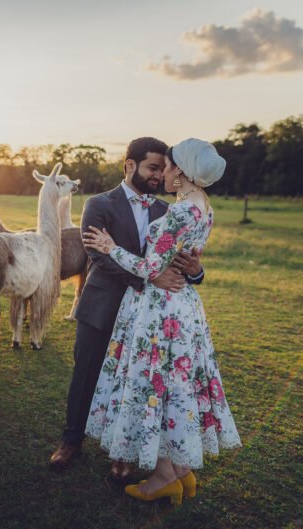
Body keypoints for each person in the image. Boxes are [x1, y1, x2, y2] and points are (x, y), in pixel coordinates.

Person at [82, 138, 241, 504]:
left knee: (161, 387)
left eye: (167, 167)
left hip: (163, 311)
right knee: (175, 385)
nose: (162, 173)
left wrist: (110, 248)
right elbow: (180, 258)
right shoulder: (202, 206)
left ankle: (164, 477)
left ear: (181, 172)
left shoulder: (182, 212)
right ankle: (181, 473)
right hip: (181, 305)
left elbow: (150, 269)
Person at [48, 137, 205, 479]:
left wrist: (196, 272)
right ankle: (71, 441)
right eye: (152, 167)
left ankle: (122, 454)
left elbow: (181, 262)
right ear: (130, 165)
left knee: (134, 384)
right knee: (86, 374)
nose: (158, 174)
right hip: (102, 307)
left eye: (162, 168)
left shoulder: (168, 210)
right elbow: (98, 255)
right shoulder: (99, 203)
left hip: (148, 319)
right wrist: (150, 280)